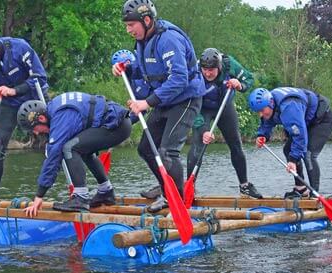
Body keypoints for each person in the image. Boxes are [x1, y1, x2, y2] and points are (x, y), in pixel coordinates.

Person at [113, 0, 206, 212]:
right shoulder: (143, 41)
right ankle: (167, 191)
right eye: (126, 25)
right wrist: (126, 69)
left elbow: (179, 78)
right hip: (165, 99)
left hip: (186, 98)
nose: (128, 30)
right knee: (146, 148)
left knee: (167, 152)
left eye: (131, 25)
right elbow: (145, 69)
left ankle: (179, 204)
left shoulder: (168, 39)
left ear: (146, 20)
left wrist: (146, 102)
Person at [0, 26, 49, 207]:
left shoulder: (20, 48)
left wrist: (14, 90)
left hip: (33, 97)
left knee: (55, 141)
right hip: (7, 105)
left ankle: (75, 190)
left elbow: (39, 77)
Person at [19, 91, 132, 216]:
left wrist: (39, 195)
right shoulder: (55, 109)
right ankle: (106, 191)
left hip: (116, 125)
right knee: (83, 150)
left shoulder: (60, 117)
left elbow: (53, 157)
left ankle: (80, 197)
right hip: (118, 122)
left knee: (69, 148)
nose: (36, 133)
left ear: (41, 118)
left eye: (34, 129)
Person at [186, 48, 262, 199]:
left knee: (236, 145)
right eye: (205, 70)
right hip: (202, 108)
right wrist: (203, 129)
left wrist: (239, 84)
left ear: (219, 66)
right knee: (198, 145)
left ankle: (244, 186)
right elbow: (191, 107)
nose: (208, 73)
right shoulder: (194, 74)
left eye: (212, 70)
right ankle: (190, 187)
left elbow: (248, 78)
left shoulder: (229, 64)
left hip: (224, 106)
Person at [248, 87, 332, 198]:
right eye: (258, 112)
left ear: (270, 103)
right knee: (288, 150)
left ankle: (315, 195)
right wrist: (262, 135)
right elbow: (267, 121)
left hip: (322, 120)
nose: (260, 114)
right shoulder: (271, 104)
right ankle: (301, 189)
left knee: (308, 154)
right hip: (304, 121)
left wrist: (293, 160)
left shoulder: (289, 107)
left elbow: (300, 136)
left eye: (262, 110)